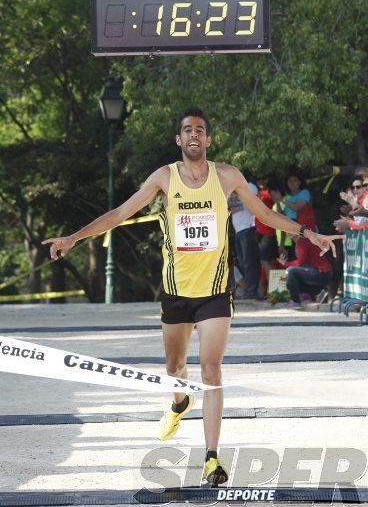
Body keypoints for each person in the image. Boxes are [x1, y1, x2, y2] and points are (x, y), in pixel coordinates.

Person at [43, 107, 342, 486]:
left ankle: (211, 459)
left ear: (209, 139)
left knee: (211, 369)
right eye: (187, 130)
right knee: (174, 369)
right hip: (176, 292)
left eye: (200, 129)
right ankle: (179, 402)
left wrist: (306, 232)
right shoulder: (164, 177)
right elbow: (119, 213)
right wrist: (73, 238)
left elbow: (265, 213)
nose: (194, 135)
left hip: (215, 291)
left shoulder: (227, 175)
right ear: (179, 140)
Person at [277, 232, 334, 309]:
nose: (288, 232)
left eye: (290, 230)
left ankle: (295, 302)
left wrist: (285, 263)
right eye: (286, 231)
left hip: (322, 272)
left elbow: (299, 263)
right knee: (291, 281)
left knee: (291, 272)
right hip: (320, 272)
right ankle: (319, 292)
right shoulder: (300, 242)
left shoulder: (303, 241)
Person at [228, 178, 260, 299]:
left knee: (250, 261)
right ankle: (249, 289)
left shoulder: (250, 186)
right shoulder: (228, 189)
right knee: (243, 262)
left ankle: (252, 291)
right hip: (238, 230)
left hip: (249, 227)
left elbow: (254, 203)